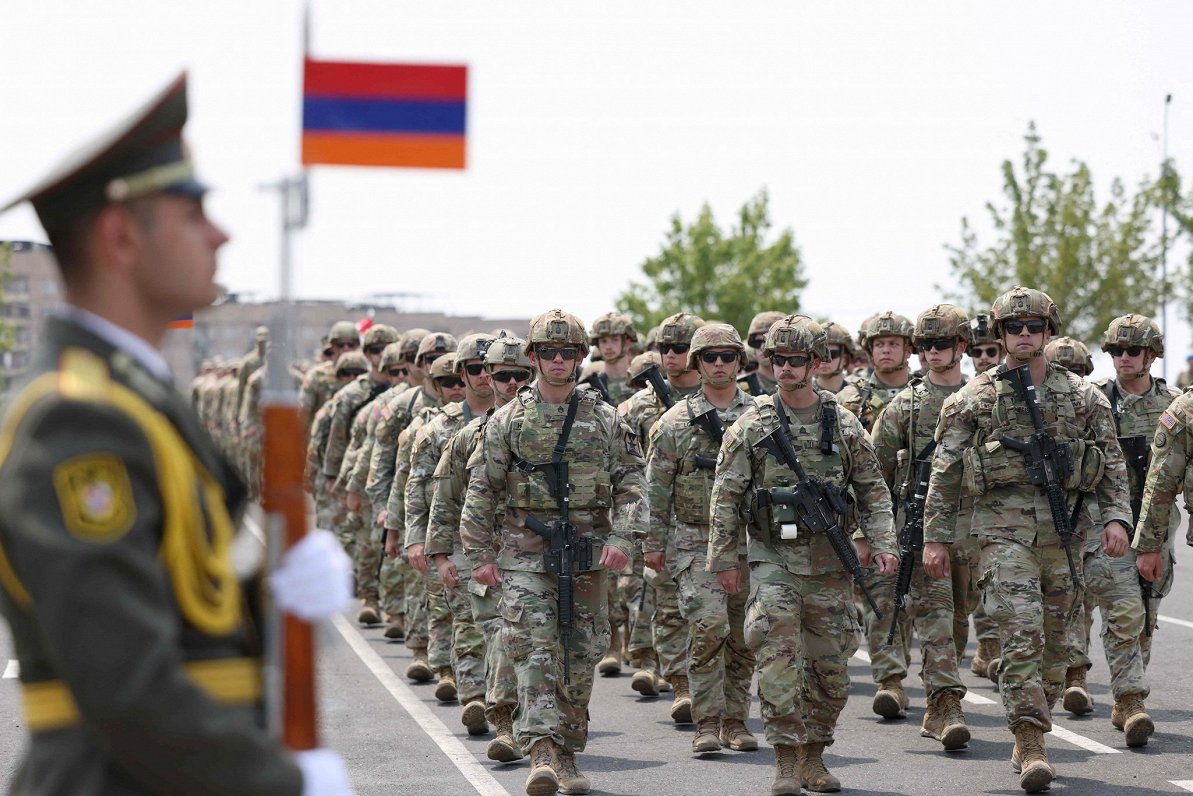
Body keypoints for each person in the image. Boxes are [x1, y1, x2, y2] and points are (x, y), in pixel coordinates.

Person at [0, 73, 352, 795]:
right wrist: (280, 782)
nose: (219, 232)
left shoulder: (140, 398)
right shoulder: (78, 417)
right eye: (192, 210)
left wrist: (272, 594)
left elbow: (192, 616)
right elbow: (125, 685)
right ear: (121, 235)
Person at [922, 286, 1131, 793]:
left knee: (1059, 649)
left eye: (1033, 327)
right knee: (1022, 632)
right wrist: (936, 538)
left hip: (1065, 535)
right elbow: (945, 472)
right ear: (999, 333)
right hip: (1002, 535)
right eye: (1013, 327)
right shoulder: (972, 399)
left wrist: (1117, 519)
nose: (1023, 335)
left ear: (1048, 332)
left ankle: (1039, 713)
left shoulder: (1083, 396)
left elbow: (1111, 463)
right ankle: (1030, 740)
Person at [707, 315, 897, 795]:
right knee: (776, 655)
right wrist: (724, 559)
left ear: (815, 363)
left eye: (796, 360)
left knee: (831, 667)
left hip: (830, 563)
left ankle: (815, 754)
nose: (786, 369)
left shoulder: (844, 422)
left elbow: (873, 490)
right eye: (778, 360)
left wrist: (883, 543)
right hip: (774, 560)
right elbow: (726, 496)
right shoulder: (753, 424)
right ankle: (786, 759)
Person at [460, 309, 645, 796]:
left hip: (587, 556)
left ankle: (566, 749)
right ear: (534, 357)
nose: (558, 360)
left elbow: (632, 485)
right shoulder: (508, 421)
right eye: (548, 352)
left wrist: (624, 539)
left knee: (582, 655)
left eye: (567, 352)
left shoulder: (605, 419)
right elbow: (482, 488)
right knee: (535, 650)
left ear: (581, 357)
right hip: (525, 556)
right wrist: (479, 553)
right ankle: (542, 750)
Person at [1061, 314, 1176, 746]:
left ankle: (1125, 690)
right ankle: (1126, 697)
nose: (1123, 358)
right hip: (1103, 520)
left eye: (1132, 351)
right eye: (1115, 351)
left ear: (1151, 355)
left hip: (1157, 526)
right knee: (1119, 607)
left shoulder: (1174, 404)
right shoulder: (1093, 400)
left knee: (1147, 611)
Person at [644, 323, 757, 756]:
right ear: (697, 364)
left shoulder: (761, 414)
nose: (719, 364)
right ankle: (707, 722)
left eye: (727, 356)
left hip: (750, 540)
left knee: (745, 634)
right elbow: (656, 487)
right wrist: (653, 542)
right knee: (708, 626)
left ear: (739, 362)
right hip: (694, 541)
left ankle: (736, 719)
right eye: (709, 357)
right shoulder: (674, 421)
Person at [866, 305, 970, 749]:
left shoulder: (983, 398)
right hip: (923, 530)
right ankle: (945, 703)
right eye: (925, 345)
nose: (931, 352)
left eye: (941, 344)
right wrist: (880, 535)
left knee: (962, 616)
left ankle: (936, 696)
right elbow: (872, 475)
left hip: (979, 531)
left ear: (961, 347)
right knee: (937, 616)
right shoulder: (903, 407)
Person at [427, 335, 534, 763]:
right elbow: (444, 495)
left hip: (542, 557)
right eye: (502, 375)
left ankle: (540, 726)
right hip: (485, 557)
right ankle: (507, 726)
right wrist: (439, 554)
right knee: (501, 638)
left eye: (519, 375)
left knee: (543, 646)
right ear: (487, 377)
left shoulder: (564, 427)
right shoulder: (471, 435)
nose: (510, 383)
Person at [838, 311, 915, 431]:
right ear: (871, 351)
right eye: (879, 344)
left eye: (893, 344)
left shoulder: (924, 395)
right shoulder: (850, 396)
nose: (886, 350)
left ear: (908, 351)